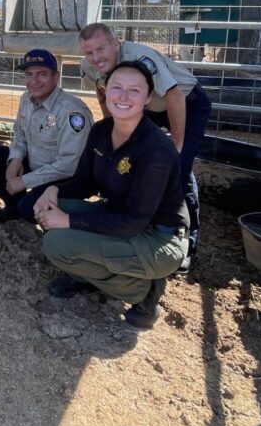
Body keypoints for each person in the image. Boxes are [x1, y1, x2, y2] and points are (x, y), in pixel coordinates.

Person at [33, 61, 189, 329]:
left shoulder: (156, 151)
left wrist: (68, 222)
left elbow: (133, 221)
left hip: (158, 238)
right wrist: (53, 189)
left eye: (134, 90)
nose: (124, 96)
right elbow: (86, 182)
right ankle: (86, 272)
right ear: (105, 91)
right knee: (51, 210)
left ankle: (143, 290)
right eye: (116, 87)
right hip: (119, 217)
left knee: (56, 243)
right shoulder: (101, 131)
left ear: (148, 98)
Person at [78, 22, 210, 273]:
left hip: (185, 104)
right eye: (89, 52)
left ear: (116, 43)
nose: (95, 57)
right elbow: (102, 91)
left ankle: (184, 241)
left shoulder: (142, 58)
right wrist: (112, 132)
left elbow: (174, 96)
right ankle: (132, 219)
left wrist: (176, 146)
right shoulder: (90, 66)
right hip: (144, 106)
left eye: (101, 49)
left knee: (177, 169)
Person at [0, 49, 93, 224]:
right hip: (37, 164)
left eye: (42, 74)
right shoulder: (26, 99)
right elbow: (19, 134)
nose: (34, 81)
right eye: (29, 74)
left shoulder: (72, 112)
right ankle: (13, 208)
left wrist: (24, 181)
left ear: (56, 77)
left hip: (66, 178)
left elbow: (69, 165)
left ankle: (63, 216)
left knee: (30, 209)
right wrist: (15, 159)